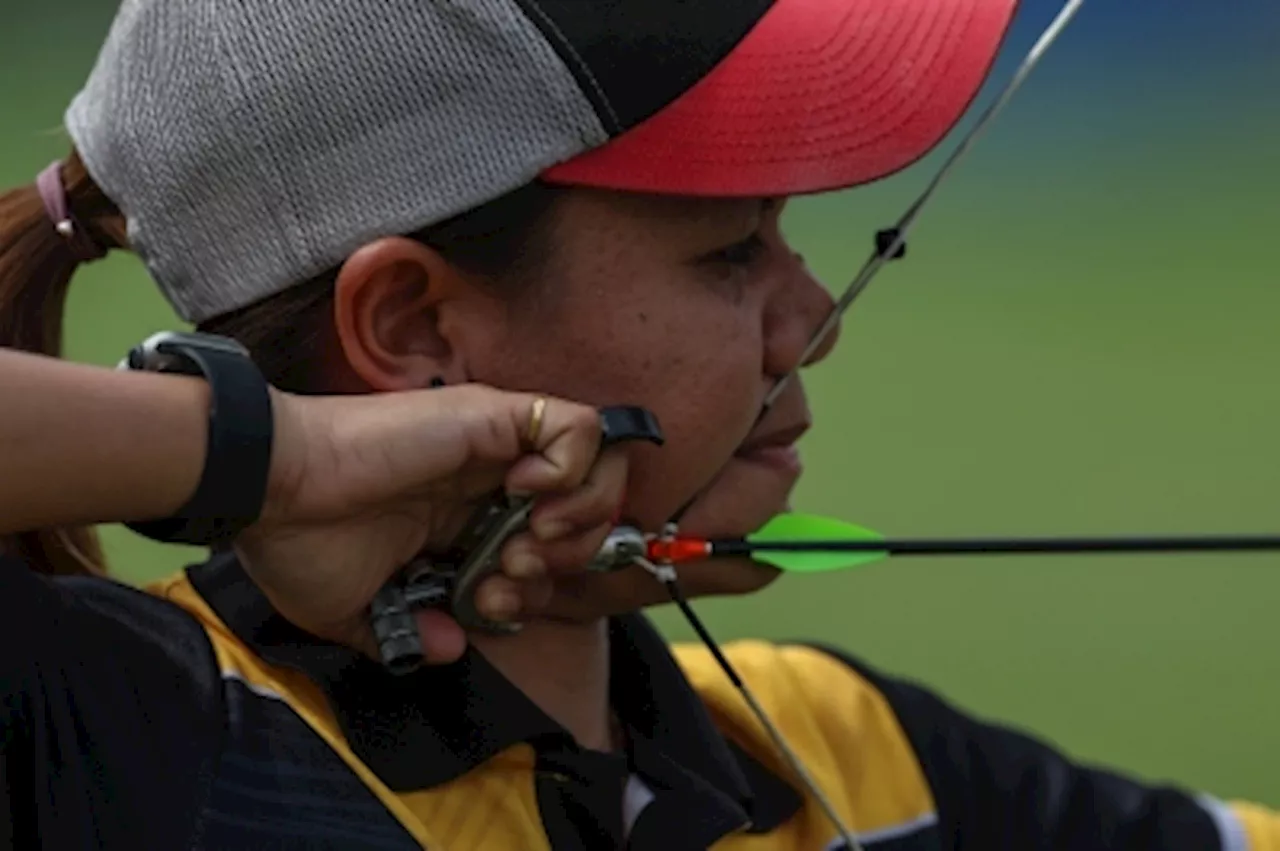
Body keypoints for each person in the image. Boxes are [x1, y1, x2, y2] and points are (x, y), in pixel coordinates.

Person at [0, 1, 1275, 849]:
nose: (813, 317)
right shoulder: (117, 738)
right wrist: (288, 459)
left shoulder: (838, 754)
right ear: (411, 327)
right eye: (727, 253)